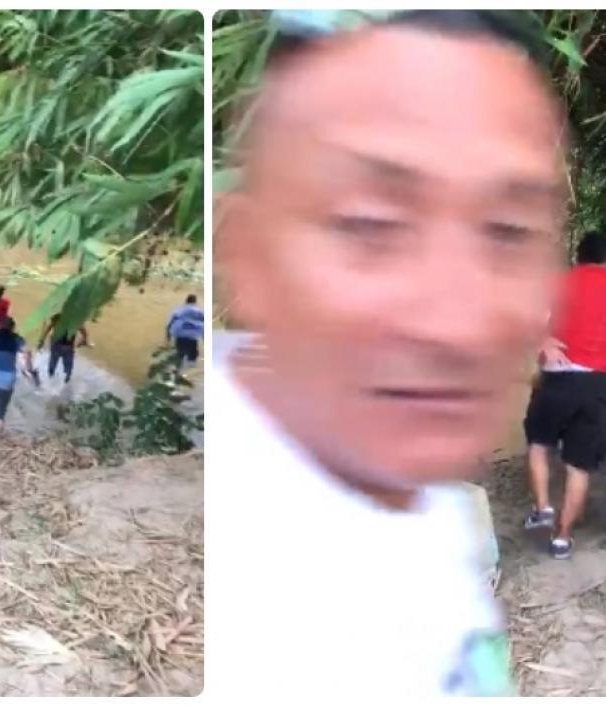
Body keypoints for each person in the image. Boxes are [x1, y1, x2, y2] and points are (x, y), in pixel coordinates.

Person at [213, 10, 564, 696]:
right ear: (246, 257)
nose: (457, 327)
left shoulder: (405, 483)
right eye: (371, 223)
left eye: (509, 231)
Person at [522, 231, 606, 559]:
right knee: (578, 465)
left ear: (579, 256)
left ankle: (543, 508)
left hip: (556, 378)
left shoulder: (559, 283)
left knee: (539, 443)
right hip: (597, 384)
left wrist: (542, 341)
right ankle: (562, 538)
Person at [38, 313, 89, 383]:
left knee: (53, 367)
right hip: (65, 347)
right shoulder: (75, 319)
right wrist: (83, 341)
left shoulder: (59, 317)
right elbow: (84, 332)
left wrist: (41, 341)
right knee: (67, 371)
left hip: (60, 346)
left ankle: (51, 381)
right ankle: (63, 382)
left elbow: (48, 328)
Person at [166, 294, 205, 374]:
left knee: (179, 355)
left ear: (186, 301)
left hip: (180, 336)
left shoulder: (179, 310)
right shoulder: (200, 312)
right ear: (195, 302)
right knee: (192, 358)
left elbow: (169, 325)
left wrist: (168, 339)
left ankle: (177, 371)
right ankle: (188, 373)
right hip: (193, 337)